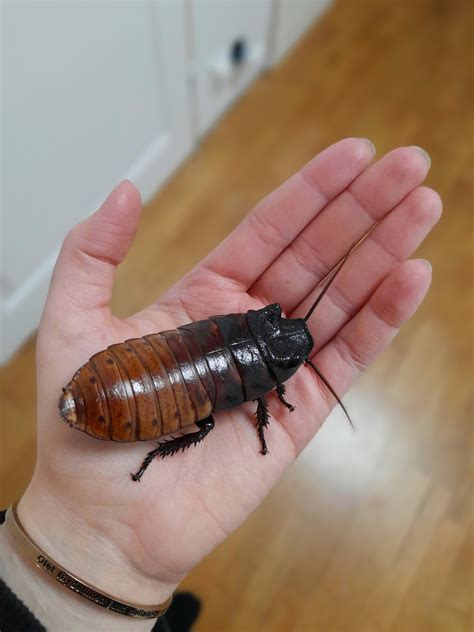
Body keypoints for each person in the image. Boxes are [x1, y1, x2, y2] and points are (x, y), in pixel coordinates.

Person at [0, 138, 441, 631]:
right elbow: (263, 405)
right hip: (138, 376)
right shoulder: (267, 387)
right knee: (205, 424)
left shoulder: (248, 336)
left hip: (159, 358)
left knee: (203, 421)